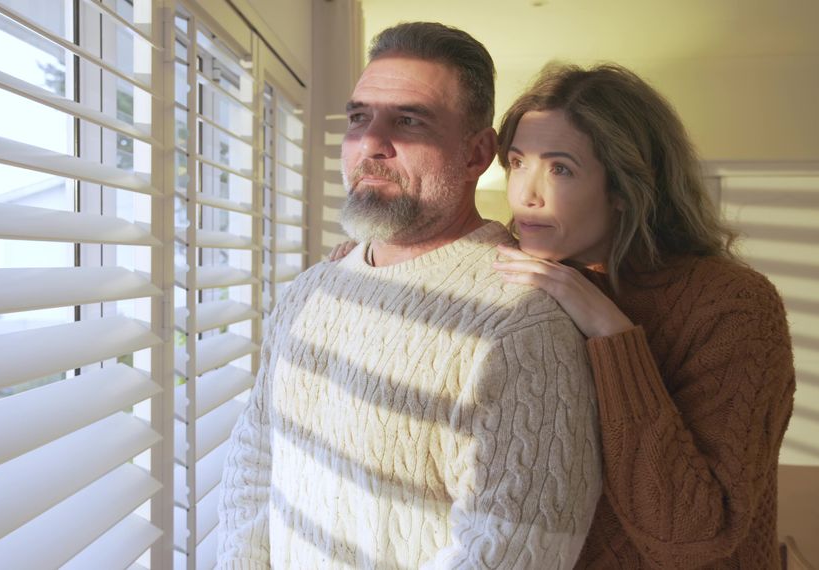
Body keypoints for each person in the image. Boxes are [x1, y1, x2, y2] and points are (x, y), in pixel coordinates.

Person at [216, 23, 602, 569]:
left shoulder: (521, 326)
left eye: (408, 121)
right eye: (358, 118)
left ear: (476, 154)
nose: (371, 143)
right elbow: (256, 464)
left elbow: (510, 555)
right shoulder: (311, 291)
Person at [490, 63, 796, 568]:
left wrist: (612, 333)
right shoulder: (521, 281)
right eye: (517, 163)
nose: (526, 194)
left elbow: (689, 534)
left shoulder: (735, 306)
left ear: (624, 186)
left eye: (560, 168)